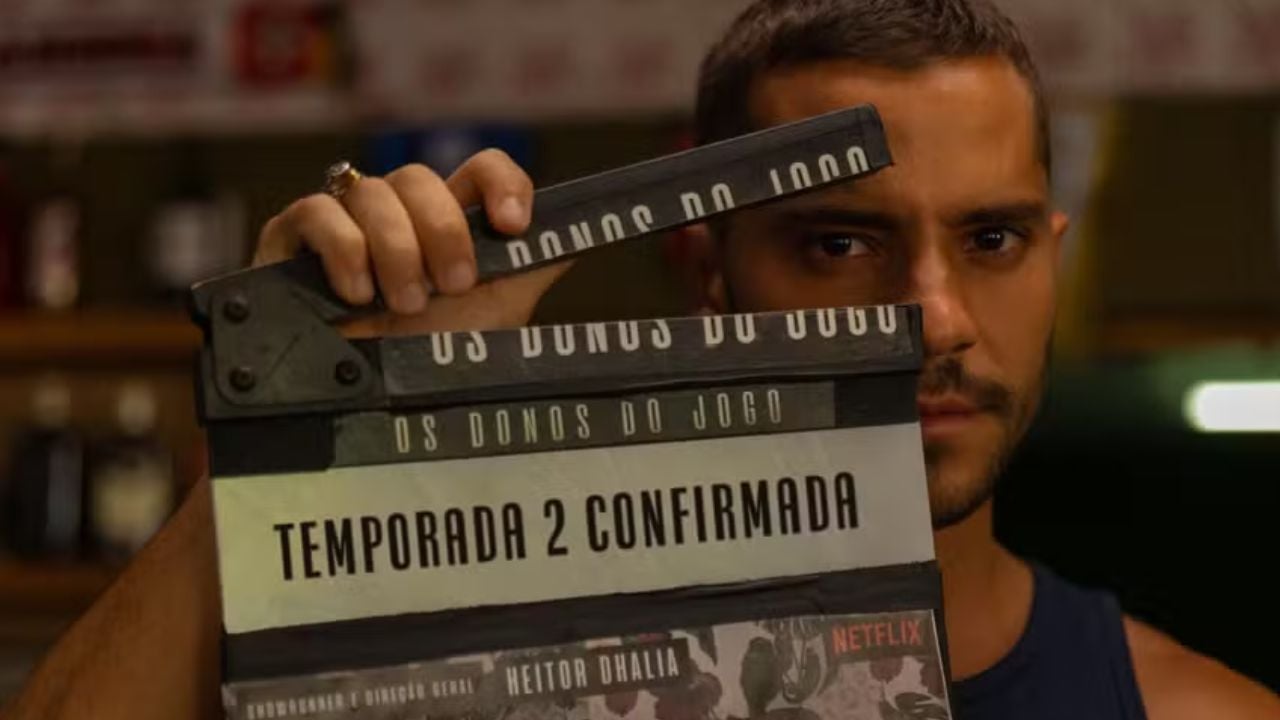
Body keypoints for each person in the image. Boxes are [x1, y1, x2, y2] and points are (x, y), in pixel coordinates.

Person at [7, 1, 1280, 719]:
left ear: (1051, 256)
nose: (932, 317)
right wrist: (295, 430)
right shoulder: (492, 670)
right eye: (838, 244)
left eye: (989, 239)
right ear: (705, 273)